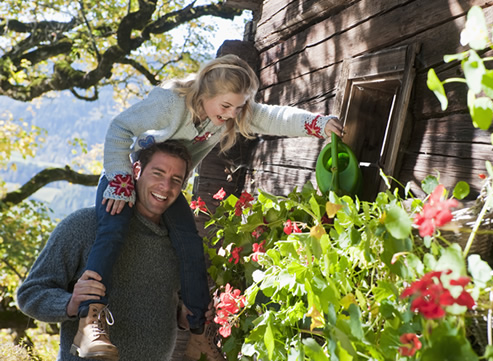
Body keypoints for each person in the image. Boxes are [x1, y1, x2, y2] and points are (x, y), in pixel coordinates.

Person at [80, 54, 344, 358]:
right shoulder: (170, 103)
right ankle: (90, 321)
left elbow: (274, 117)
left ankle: (196, 334)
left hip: (166, 186)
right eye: (226, 106)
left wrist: (318, 124)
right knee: (113, 231)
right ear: (204, 95)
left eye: (240, 106)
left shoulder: (233, 111)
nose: (233, 114)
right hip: (130, 177)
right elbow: (120, 128)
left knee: (191, 246)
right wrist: (120, 180)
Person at [17, 140, 222, 360]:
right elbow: (30, 294)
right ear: (136, 171)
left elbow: (166, 302)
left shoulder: (180, 245)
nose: (165, 186)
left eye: (176, 180)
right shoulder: (85, 226)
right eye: (158, 173)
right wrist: (70, 304)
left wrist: (183, 316)